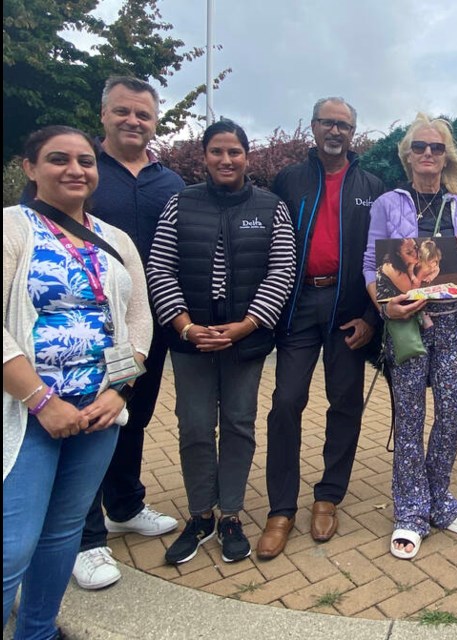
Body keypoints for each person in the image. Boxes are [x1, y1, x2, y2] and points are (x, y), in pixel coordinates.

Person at [3, 126, 153, 638]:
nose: (75, 170)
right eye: (58, 159)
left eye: (84, 161)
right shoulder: (11, 229)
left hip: (98, 411)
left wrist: (118, 392)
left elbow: (138, 322)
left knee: (63, 532)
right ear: (30, 168)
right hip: (28, 412)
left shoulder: (116, 239)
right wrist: (42, 400)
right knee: (12, 546)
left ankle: (38, 631)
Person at [146, 120, 295, 565]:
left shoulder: (271, 207)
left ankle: (230, 514)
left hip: (244, 343)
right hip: (191, 342)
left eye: (234, 152)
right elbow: (159, 268)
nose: (225, 160)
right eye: (216, 151)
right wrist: (186, 326)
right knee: (193, 426)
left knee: (238, 425)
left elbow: (282, 270)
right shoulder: (179, 203)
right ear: (204, 157)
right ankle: (199, 515)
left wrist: (247, 325)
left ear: (247, 157)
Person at [257, 97, 385, 560]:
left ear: (353, 133)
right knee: (285, 401)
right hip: (297, 306)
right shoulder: (288, 180)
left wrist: (373, 317)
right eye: (328, 123)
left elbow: (386, 255)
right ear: (313, 127)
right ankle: (281, 509)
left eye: (345, 125)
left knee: (345, 403)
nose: (336, 131)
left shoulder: (373, 185)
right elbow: (269, 245)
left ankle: (329, 496)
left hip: (349, 308)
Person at [73, 76, 183, 590]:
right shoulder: (82, 172)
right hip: (88, 327)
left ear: (154, 120)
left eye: (142, 114)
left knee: (131, 415)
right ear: (104, 116)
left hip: (149, 325)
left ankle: (124, 505)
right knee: (90, 421)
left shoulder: (170, 183)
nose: (133, 121)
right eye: (123, 112)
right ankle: (85, 537)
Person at [363, 113, 457, 559]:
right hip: (407, 324)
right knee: (410, 420)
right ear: (407, 155)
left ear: (446, 155)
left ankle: (439, 496)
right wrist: (384, 304)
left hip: (455, 323)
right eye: (420, 147)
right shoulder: (388, 203)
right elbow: (368, 264)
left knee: (453, 415)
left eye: (436, 148)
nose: (429, 154)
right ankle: (411, 509)